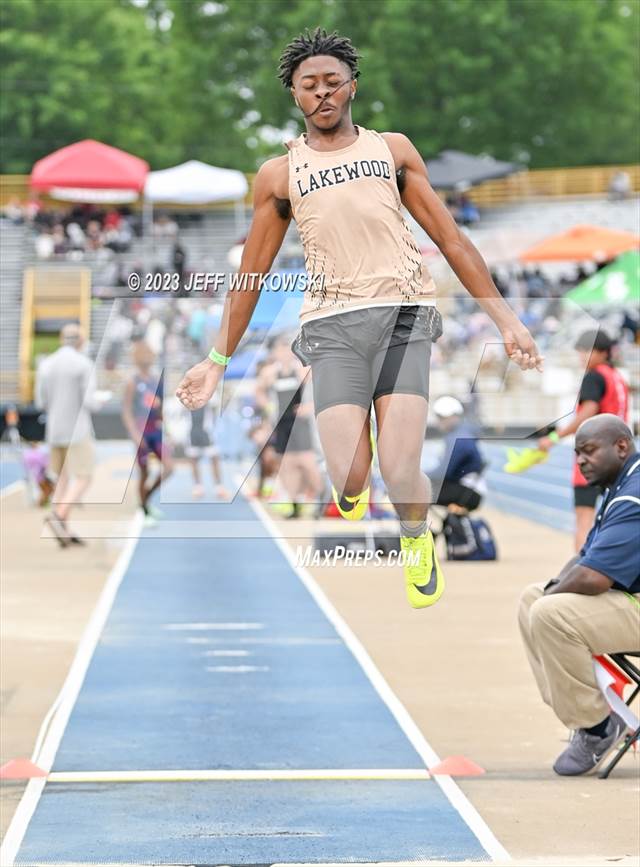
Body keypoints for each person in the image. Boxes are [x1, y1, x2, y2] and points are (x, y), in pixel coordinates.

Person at [176, 28, 543, 609]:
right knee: (349, 477)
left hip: (403, 313)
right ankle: (354, 484)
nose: (321, 93)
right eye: (308, 86)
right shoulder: (278, 175)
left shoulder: (392, 151)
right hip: (331, 325)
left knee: (400, 474)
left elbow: (450, 239)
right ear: (295, 96)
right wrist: (217, 360)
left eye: (331, 82)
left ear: (351, 86)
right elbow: (252, 275)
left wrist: (506, 320)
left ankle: (416, 537)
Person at [519, 414, 639, 775]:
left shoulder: (633, 496)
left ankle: (598, 728)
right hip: (630, 599)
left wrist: (552, 598)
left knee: (548, 612)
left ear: (621, 447)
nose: (581, 461)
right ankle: (583, 713)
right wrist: (552, 590)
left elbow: (594, 578)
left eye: (588, 451)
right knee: (532, 598)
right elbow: (584, 559)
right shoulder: (620, 486)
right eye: (577, 454)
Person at [537, 329, 629, 551]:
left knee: (584, 521)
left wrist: (554, 436)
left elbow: (588, 411)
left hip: (593, 456)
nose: (581, 356)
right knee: (617, 519)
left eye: (585, 351)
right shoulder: (617, 377)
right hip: (620, 457)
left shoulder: (594, 376)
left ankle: (583, 573)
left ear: (601, 353)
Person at [35, 323, 99, 546]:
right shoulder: (84, 364)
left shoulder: (46, 365)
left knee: (61, 480)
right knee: (84, 477)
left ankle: (63, 529)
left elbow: (41, 402)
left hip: (54, 430)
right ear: (80, 340)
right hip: (78, 430)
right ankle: (60, 516)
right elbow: (90, 401)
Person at [255, 337, 322, 518]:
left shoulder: (302, 370)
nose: (284, 354)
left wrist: (310, 407)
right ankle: (294, 505)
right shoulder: (269, 373)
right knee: (287, 465)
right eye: (280, 351)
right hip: (282, 424)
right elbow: (259, 391)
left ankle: (321, 498)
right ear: (275, 353)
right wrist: (268, 407)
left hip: (301, 424)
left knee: (308, 463)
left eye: (287, 350)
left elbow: (323, 388)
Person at [121, 341, 174, 526]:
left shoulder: (156, 380)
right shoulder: (132, 382)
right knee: (144, 472)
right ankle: (144, 511)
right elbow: (126, 410)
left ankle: (146, 500)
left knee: (169, 467)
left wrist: (168, 432)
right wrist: (135, 435)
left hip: (156, 430)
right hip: (141, 430)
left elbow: (160, 409)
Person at [430, 395, 486, 512]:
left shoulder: (459, 437)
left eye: (440, 417)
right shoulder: (462, 432)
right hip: (469, 489)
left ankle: (415, 529)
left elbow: (444, 472)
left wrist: (416, 476)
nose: (438, 422)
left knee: (416, 492)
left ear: (453, 417)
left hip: (469, 492)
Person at [186, 405, 228, 500]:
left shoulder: (209, 398)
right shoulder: (188, 396)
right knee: (193, 460)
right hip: (193, 433)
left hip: (207, 434)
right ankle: (198, 487)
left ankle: (219, 487)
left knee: (214, 458)